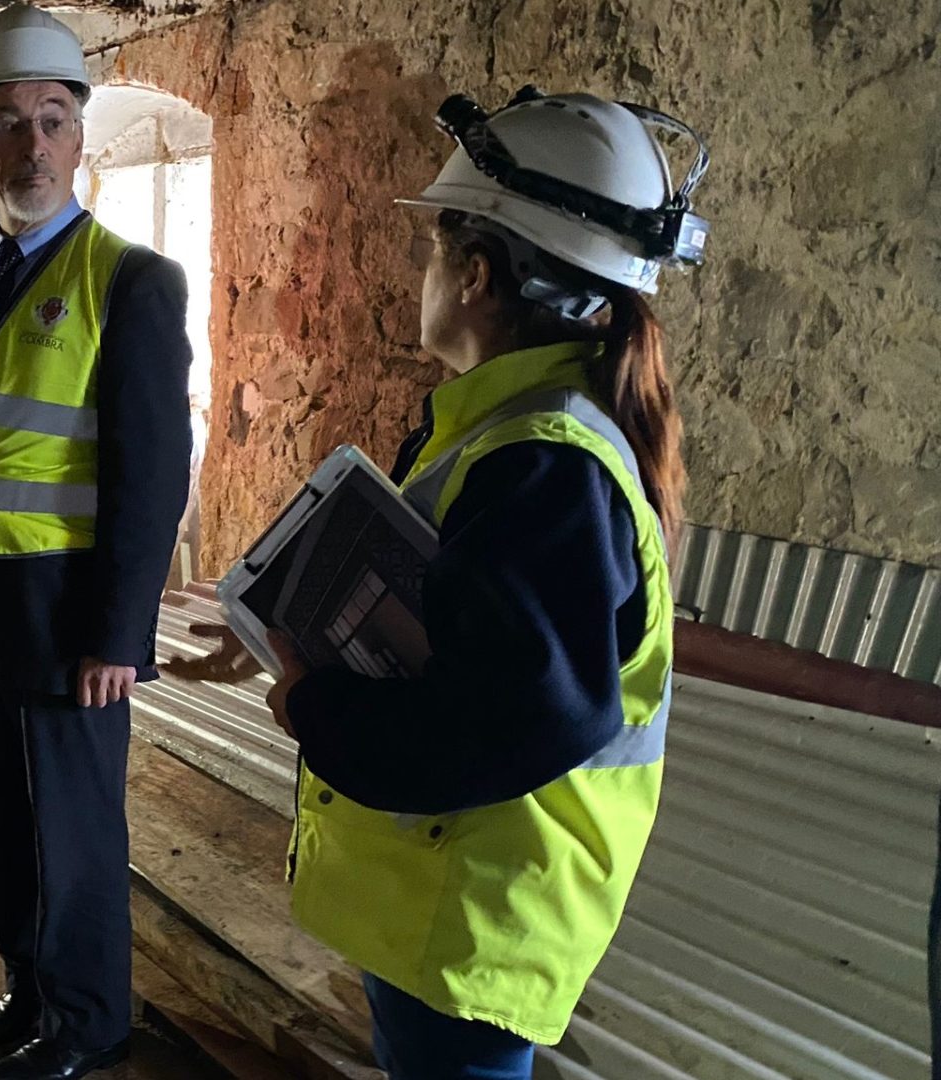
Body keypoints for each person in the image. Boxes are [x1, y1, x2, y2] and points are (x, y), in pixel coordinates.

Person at [176, 87, 709, 1079]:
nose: (419, 270)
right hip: (454, 891)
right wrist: (277, 625)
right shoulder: (510, 428)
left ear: (474, 273)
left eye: (432, 248)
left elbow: (517, 716)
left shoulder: (542, 462)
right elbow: (448, 616)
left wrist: (315, 709)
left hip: (475, 907)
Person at [0, 6, 194, 1078]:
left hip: (70, 616)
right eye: (9, 122)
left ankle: (86, 1021)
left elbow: (152, 479)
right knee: (0, 822)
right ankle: (28, 989)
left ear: (80, 135)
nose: (32, 145)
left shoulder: (129, 283)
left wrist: (123, 633)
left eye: (54, 119)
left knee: (73, 835)